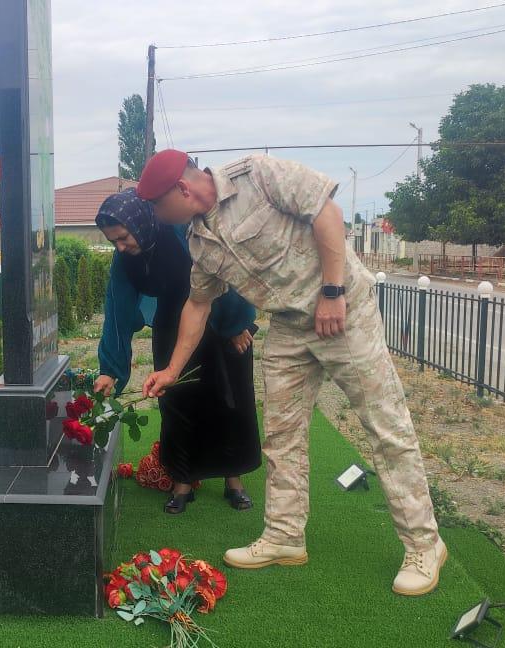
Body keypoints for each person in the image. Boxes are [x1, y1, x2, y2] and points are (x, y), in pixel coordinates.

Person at [138, 149, 445, 596]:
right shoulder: (200, 240)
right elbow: (198, 304)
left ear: (182, 189)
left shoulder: (257, 174)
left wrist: (333, 291)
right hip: (288, 326)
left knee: (386, 427)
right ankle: (284, 536)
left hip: (343, 313)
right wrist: (171, 369)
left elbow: (327, 211)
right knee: (281, 435)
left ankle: (424, 544)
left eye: (156, 205)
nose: (154, 214)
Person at [93, 189, 261, 514]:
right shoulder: (124, 260)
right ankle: (183, 480)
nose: (121, 247)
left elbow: (225, 268)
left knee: (232, 398)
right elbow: (117, 309)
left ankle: (233, 479)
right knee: (179, 402)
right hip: (172, 325)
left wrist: (237, 323)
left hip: (220, 315)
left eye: (123, 238)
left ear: (139, 223)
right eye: (113, 241)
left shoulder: (179, 229)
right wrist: (110, 369)